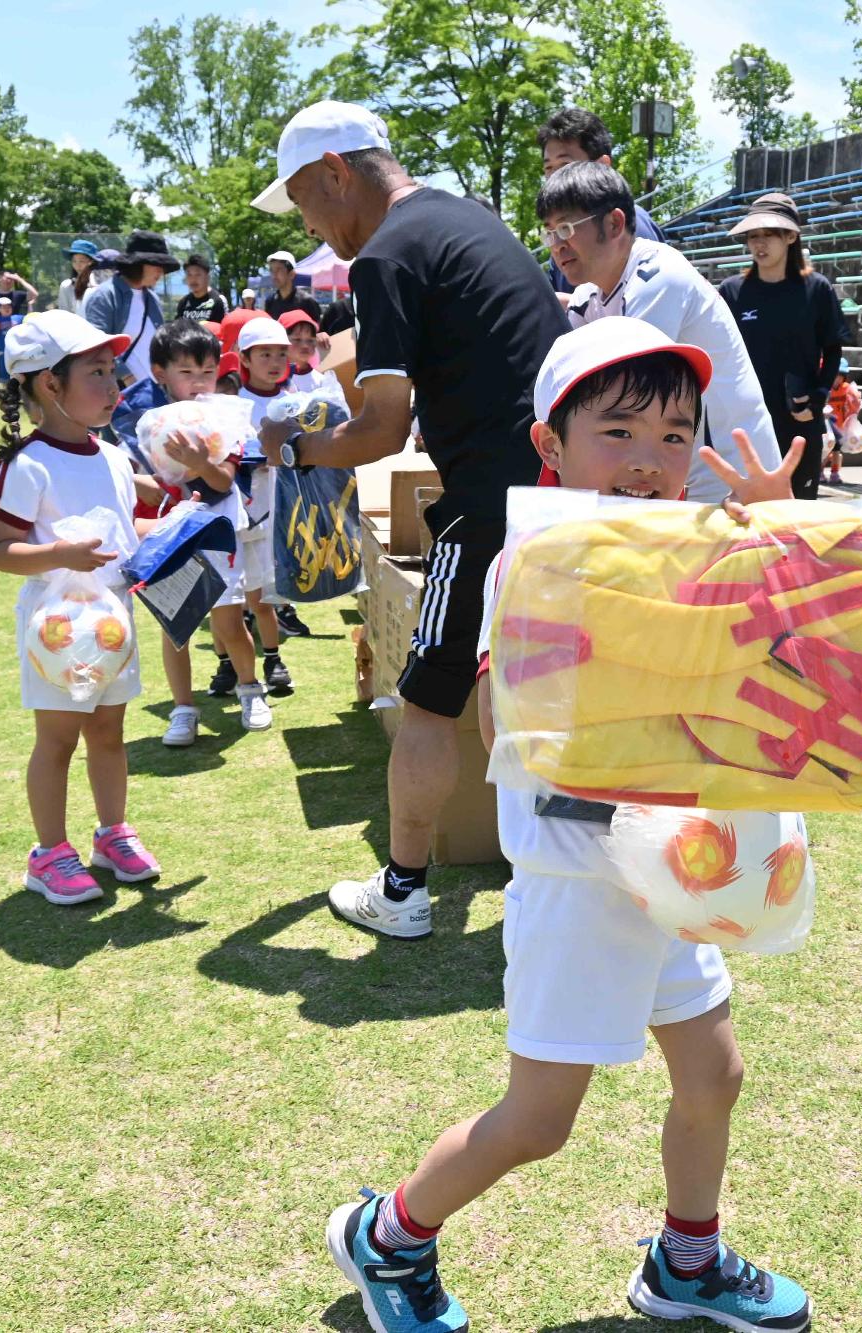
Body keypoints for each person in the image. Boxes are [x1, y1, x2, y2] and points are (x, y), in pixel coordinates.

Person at [324, 317, 812, 1333]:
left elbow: (783, 652)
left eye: (674, 438)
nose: (649, 461)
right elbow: (515, 723)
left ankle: (686, 1258)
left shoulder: (690, 549)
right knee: (537, 1123)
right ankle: (387, 1233)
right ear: (551, 445)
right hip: (580, 879)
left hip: (675, 866)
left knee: (713, 1071)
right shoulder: (536, 562)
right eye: (619, 431)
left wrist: (776, 538)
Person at [250, 99, 567, 939]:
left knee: (428, 695)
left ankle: (403, 891)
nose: (317, 230)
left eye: (308, 205)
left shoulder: (386, 255)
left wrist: (295, 449)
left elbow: (380, 429)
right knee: (522, 686)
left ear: (336, 172)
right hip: (555, 492)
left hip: (490, 505)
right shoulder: (466, 217)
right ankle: (556, 871)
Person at [0, 309, 164, 906]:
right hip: (58, 628)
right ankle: (49, 854)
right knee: (58, 738)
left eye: (114, 372)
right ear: (49, 384)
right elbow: (2, 551)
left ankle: (111, 834)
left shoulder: (112, 453)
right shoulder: (27, 462)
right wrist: (59, 551)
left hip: (113, 619)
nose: (115, 387)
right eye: (97, 373)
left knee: (110, 732)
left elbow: (129, 519)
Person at [537, 160, 784, 505]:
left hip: (727, 478)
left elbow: (624, 393)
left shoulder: (658, 276)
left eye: (565, 229)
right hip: (668, 475)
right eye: (548, 232)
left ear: (614, 223)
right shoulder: (589, 297)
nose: (556, 244)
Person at [140, 318, 271, 744]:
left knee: (229, 622)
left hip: (219, 532)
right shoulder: (151, 421)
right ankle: (183, 709)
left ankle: (251, 688)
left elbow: (223, 482)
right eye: (186, 373)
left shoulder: (228, 418)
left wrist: (199, 463)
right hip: (171, 532)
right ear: (160, 373)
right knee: (174, 626)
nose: (199, 383)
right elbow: (157, 485)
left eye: (207, 372)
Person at [718, 194, 849, 500]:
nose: (759, 244)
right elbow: (719, 353)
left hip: (798, 424)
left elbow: (833, 350)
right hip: (744, 423)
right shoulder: (732, 291)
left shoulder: (816, 288)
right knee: (744, 519)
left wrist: (816, 399)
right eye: (752, 236)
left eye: (768, 235)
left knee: (796, 518)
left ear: (791, 236)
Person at [225, 316, 296, 694]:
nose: (274, 361)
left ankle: (273, 658)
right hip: (233, 513)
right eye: (264, 353)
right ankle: (225, 666)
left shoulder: (295, 402)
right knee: (227, 602)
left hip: (275, 512)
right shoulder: (232, 405)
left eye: (280, 354)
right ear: (244, 359)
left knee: (263, 596)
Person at [536, 107, 665, 295]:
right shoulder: (561, 240)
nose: (554, 177)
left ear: (602, 166)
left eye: (565, 165)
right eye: (548, 168)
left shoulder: (634, 230)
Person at [83, 229, 179, 391]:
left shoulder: (152, 299)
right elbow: (97, 346)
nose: (161, 272)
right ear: (138, 264)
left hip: (154, 391)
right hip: (121, 394)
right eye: (157, 265)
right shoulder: (105, 296)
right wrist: (127, 378)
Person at [260, 250, 322, 323]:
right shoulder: (270, 302)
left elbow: (317, 331)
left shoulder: (307, 302)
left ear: (291, 274)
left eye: (279, 269)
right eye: (272, 270)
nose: (274, 275)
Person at [0, 296, 24, 397]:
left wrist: (30, 305)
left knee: (17, 373)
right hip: (3, 352)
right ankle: (8, 394)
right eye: (3, 307)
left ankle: (18, 392)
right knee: (4, 374)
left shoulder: (18, 318)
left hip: (17, 351)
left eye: (8, 306)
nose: (6, 308)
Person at [175, 253, 230, 323]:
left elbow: (224, 328)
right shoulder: (183, 302)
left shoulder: (218, 300)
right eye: (189, 275)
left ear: (207, 277)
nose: (193, 279)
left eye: (198, 274)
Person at [56, 239, 100, 315]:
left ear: (92, 262)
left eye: (82, 261)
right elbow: (64, 313)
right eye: (74, 261)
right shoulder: (66, 286)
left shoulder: (99, 285)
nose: (77, 265)